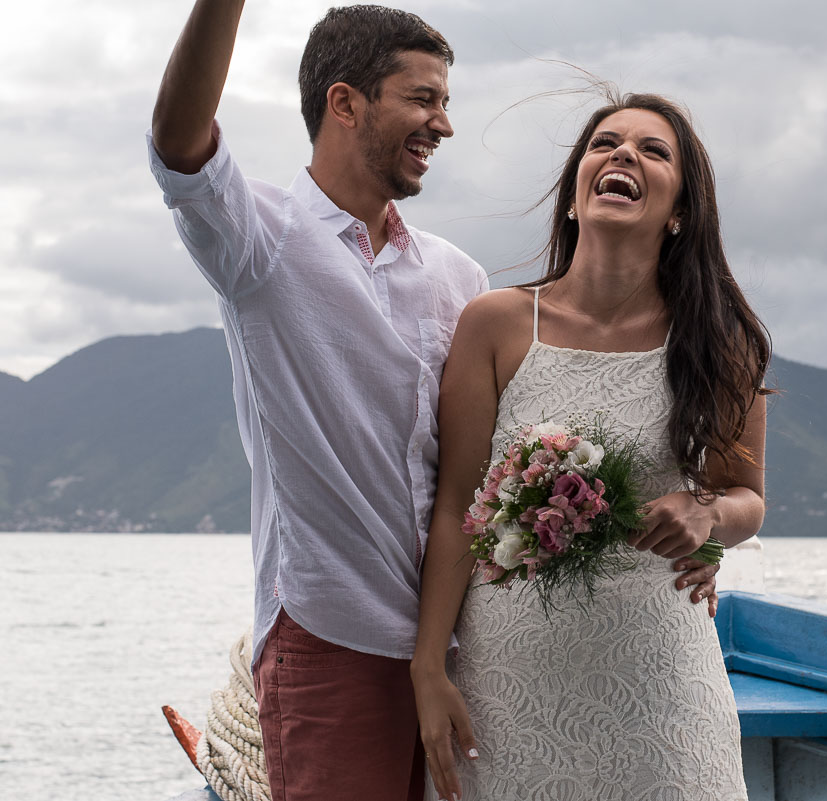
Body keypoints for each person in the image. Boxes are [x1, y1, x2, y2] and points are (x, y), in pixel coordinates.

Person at [148, 4, 721, 799]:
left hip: (472, 646)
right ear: (345, 103)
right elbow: (179, 142)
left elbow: (499, 461)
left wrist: (688, 528)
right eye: (423, 99)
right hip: (333, 635)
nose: (444, 124)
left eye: (445, 101)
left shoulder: (458, 279)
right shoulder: (261, 242)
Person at [411, 91, 771, 801]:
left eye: (653, 149)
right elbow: (456, 504)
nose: (624, 154)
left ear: (680, 213)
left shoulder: (716, 342)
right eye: (605, 143)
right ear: (576, 196)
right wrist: (427, 670)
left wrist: (705, 513)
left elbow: (747, 499)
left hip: (662, 687)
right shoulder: (496, 324)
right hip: (508, 689)